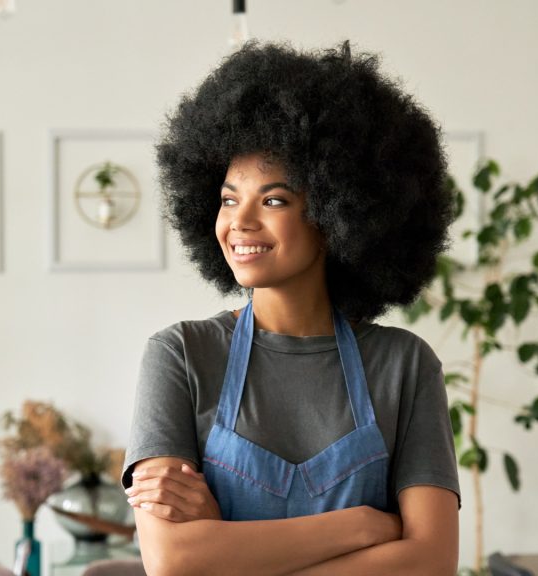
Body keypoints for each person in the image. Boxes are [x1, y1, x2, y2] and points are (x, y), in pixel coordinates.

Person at [121, 40, 461, 576]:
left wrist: (228, 544)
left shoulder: (406, 365)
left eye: (274, 200)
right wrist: (364, 527)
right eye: (230, 198)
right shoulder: (181, 355)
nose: (240, 222)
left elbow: (431, 561)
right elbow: (171, 559)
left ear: (337, 213)